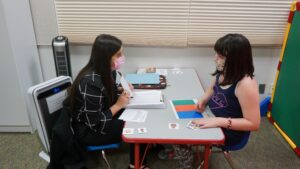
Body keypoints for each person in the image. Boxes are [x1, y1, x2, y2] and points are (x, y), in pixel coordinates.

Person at [174, 33, 260, 169]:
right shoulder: (223, 71)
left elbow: (253, 124)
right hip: (211, 116)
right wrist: (203, 99)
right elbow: (212, 89)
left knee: (181, 136)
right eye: (216, 54)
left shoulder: (246, 84)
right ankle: (183, 153)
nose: (215, 59)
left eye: (220, 56)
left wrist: (218, 121)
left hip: (228, 130)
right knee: (177, 123)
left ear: (236, 60)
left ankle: (185, 165)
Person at [66, 34, 150, 169]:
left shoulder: (107, 71)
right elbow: (94, 122)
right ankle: (135, 165)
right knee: (137, 128)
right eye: (118, 54)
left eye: (122, 53)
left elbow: (105, 92)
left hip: (103, 114)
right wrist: (118, 105)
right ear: (105, 57)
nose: (122, 57)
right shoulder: (90, 82)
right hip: (89, 130)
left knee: (142, 114)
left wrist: (121, 88)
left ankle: (146, 149)